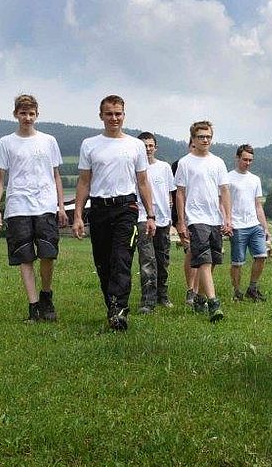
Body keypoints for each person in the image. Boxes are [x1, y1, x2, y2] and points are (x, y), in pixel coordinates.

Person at [72, 95, 156, 331]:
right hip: (99, 208)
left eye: (118, 113)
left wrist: (150, 215)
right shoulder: (89, 144)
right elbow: (84, 182)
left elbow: (142, 182)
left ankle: (119, 311)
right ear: (101, 116)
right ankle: (112, 305)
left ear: (124, 115)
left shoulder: (135, 145)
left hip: (126, 209)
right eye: (109, 114)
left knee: (122, 260)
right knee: (103, 263)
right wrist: (78, 215)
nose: (114, 118)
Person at [0, 94, 68, 323]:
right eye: (23, 113)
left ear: (37, 115)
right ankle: (33, 306)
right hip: (17, 206)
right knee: (24, 256)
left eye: (31, 113)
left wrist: (61, 206)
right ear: (15, 114)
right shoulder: (6, 142)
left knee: (47, 253)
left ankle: (46, 295)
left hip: (45, 204)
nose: (27, 117)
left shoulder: (49, 141)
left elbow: (56, 175)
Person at [174, 120, 232, 322]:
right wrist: (181, 221)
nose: (205, 140)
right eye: (201, 137)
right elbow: (180, 193)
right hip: (195, 218)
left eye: (208, 136)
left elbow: (224, 191)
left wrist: (227, 218)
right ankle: (214, 303)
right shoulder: (185, 162)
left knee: (214, 260)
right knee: (205, 261)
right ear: (193, 139)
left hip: (215, 218)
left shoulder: (218, 162)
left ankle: (199, 297)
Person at [135, 131, 176, 314]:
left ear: (156, 148)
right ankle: (147, 301)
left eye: (151, 145)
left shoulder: (165, 167)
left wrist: (170, 214)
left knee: (163, 259)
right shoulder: (134, 168)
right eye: (144, 146)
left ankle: (162, 296)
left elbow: (170, 193)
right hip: (143, 218)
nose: (148, 149)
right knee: (147, 260)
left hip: (163, 220)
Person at [227, 144, 270, 302]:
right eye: (245, 159)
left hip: (254, 225)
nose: (248, 163)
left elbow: (258, 204)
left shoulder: (255, 179)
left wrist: (265, 227)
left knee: (261, 255)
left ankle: (252, 287)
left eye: (250, 160)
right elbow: (223, 202)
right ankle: (237, 291)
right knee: (237, 262)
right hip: (237, 225)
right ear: (237, 158)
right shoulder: (228, 178)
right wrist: (227, 222)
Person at [172, 141, 198, 306]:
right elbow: (175, 193)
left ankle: (197, 289)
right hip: (184, 215)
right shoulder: (179, 165)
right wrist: (179, 219)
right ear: (190, 146)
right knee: (191, 251)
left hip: (203, 216)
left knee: (202, 253)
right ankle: (191, 290)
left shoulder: (210, 163)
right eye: (193, 146)